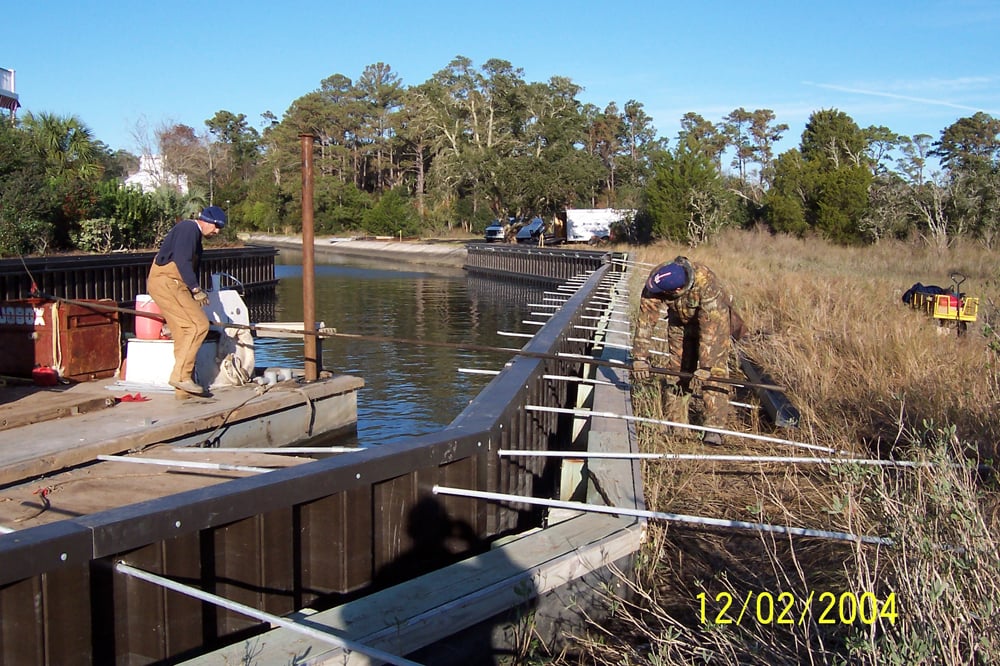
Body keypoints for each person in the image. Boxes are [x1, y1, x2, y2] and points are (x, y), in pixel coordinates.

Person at [630, 256, 743, 445]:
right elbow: (645, 319)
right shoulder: (656, 279)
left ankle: (714, 428)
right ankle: (676, 423)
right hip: (679, 323)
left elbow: (711, 329)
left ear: (677, 290)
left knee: (715, 372)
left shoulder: (706, 283)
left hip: (714, 324)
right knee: (677, 370)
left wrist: (705, 366)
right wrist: (640, 357)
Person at [146, 205, 227, 397]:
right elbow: (183, 261)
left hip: (168, 283)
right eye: (216, 226)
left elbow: (188, 264)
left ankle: (182, 389)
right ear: (206, 220)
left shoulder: (194, 235)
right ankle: (180, 377)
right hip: (169, 282)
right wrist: (196, 289)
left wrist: (191, 291)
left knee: (183, 331)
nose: (217, 231)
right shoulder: (188, 229)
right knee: (198, 325)